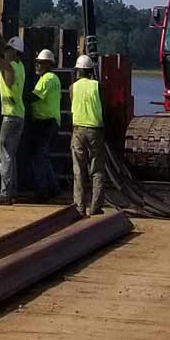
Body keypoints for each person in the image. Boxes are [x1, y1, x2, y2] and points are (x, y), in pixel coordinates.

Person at [68, 54, 107, 215]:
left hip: (78, 130)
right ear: (91, 71)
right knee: (96, 170)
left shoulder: (72, 87)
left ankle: (79, 207)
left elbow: (73, 103)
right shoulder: (98, 86)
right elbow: (104, 106)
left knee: (78, 170)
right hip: (95, 130)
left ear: (78, 71)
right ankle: (95, 207)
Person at [0, 36, 29, 204]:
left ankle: (5, 194)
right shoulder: (20, 66)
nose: (5, 52)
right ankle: (12, 191)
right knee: (11, 155)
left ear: (14, 52)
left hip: (10, 116)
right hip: (19, 115)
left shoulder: (9, 67)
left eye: (8, 50)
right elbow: (4, 49)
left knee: (4, 155)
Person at [26, 48, 63, 202]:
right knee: (43, 157)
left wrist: (17, 97)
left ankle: (42, 192)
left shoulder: (48, 78)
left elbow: (34, 97)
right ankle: (53, 188)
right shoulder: (45, 78)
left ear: (48, 64)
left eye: (40, 63)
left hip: (46, 123)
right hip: (45, 122)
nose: (37, 66)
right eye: (37, 63)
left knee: (38, 158)